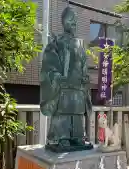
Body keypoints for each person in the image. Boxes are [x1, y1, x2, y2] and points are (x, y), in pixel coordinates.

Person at [40, 6, 93, 152]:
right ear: (63, 22)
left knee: (77, 113)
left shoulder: (79, 45)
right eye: (70, 20)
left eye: (75, 21)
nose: (73, 23)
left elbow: (83, 66)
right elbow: (48, 66)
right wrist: (57, 77)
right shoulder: (56, 43)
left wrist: (84, 78)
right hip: (63, 88)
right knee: (63, 112)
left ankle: (77, 137)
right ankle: (61, 137)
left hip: (77, 89)